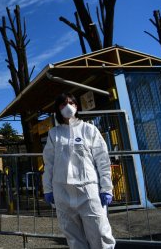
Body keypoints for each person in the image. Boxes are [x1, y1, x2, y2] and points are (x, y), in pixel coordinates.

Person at [42, 92, 115, 249]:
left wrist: (106, 188)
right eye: (63, 104)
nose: (68, 106)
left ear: (77, 106)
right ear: (58, 109)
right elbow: (49, 163)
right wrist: (47, 188)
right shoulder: (54, 134)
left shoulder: (89, 130)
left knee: (100, 233)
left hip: (88, 190)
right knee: (73, 237)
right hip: (62, 191)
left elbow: (102, 160)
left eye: (72, 103)